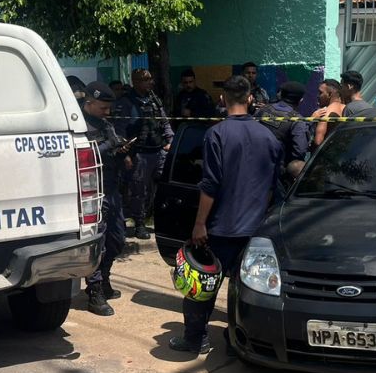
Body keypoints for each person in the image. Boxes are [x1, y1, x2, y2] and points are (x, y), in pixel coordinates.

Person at [169, 75, 283, 354]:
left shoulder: (216, 134)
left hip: (220, 228)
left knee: (201, 287)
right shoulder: (269, 136)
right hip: (255, 230)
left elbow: (210, 185)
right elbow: (273, 186)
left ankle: (196, 339)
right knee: (245, 289)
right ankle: (237, 341)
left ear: (222, 99)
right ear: (250, 99)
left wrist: (199, 224)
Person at [81, 82, 131, 316]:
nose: (107, 112)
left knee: (117, 239)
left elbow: (111, 147)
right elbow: (85, 156)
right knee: (96, 242)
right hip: (93, 192)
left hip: (112, 189)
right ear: (89, 102)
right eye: (103, 107)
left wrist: (121, 150)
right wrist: (109, 144)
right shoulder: (80, 125)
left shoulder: (106, 124)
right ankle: (95, 291)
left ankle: (106, 278)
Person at [118, 68, 174, 240]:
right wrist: (125, 154)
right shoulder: (126, 103)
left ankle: (161, 221)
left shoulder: (154, 100)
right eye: (146, 79)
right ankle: (140, 224)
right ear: (135, 81)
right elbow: (119, 131)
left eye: (150, 79)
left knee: (162, 188)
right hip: (139, 155)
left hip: (158, 151)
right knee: (138, 191)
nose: (150, 82)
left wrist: (170, 141)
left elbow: (164, 122)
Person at [254, 81, 310, 182]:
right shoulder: (297, 120)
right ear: (301, 100)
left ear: (281, 95)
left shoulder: (263, 110)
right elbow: (300, 151)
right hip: (277, 173)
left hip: (253, 164)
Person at [312, 79, 344, 147]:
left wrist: (312, 120)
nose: (318, 96)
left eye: (320, 93)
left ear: (329, 94)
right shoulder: (346, 109)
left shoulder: (324, 113)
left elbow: (318, 142)